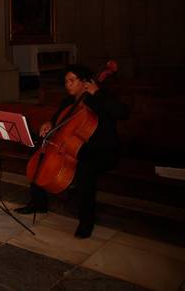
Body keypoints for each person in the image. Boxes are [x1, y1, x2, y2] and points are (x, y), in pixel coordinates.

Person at [15, 64, 128, 238]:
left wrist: (97, 93)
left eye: (72, 81)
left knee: (85, 169)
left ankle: (86, 221)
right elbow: (59, 119)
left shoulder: (99, 98)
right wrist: (49, 123)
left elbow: (122, 112)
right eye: (66, 81)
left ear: (86, 83)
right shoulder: (69, 101)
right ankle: (38, 203)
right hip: (72, 146)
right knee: (40, 153)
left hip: (101, 150)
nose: (67, 84)